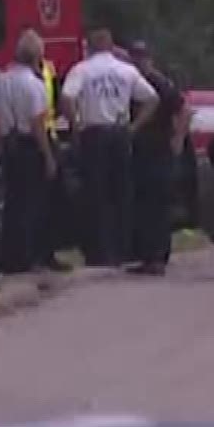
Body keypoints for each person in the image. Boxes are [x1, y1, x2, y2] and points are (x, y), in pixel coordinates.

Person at [60, 29, 157, 268]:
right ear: (112, 46)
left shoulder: (82, 69)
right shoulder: (126, 70)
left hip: (94, 134)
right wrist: (134, 127)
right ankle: (121, 250)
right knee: (121, 193)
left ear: (90, 47)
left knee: (96, 195)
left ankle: (99, 253)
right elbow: (152, 98)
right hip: (120, 132)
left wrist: (76, 124)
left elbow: (66, 97)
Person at [0, 29, 61, 274]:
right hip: (30, 147)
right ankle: (32, 257)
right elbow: (37, 125)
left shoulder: (0, 81)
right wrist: (48, 156)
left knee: (13, 204)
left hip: (9, 146)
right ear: (36, 57)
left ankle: (12, 258)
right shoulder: (33, 84)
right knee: (34, 205)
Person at [128, 40, 187, 275]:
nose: (139, 62)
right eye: (135, 57)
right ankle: (148, 256)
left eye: (142, 57)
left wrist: (178, 139)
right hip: (142, 149)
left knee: (156, 204)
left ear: (150, 59)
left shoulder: (159, 83)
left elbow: (183, 110)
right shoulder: (133, 82)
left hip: (157, 148)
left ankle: (157, 257)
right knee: (144, 204)